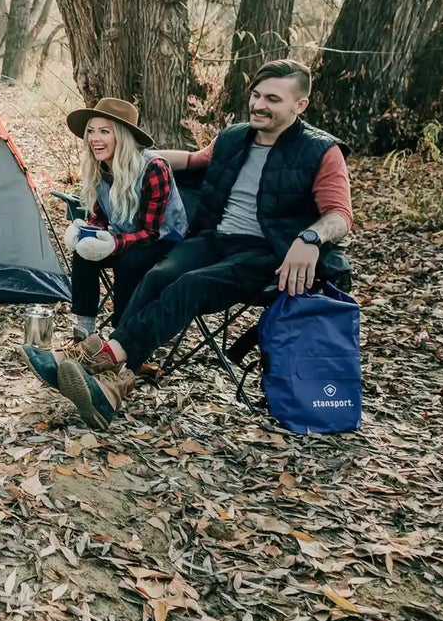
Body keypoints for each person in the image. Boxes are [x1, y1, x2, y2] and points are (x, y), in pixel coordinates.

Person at [26, 59, 353, 430]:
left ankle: (106, 363)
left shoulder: (321, 150)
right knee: (159, 274)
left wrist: (310, 238)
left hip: (270, 252)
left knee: (190, 285)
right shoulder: (233, 136)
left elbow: (339, 214)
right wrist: (130, 157)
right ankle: (108, 379)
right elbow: (195, 160)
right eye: (256, 95)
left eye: (273, 99)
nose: (259, 105)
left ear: (300, 105)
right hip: (214, 238)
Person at [62, 97, 188, 340]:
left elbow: (151, 232)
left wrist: (113, 243)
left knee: (128, 261)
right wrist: (87, 231)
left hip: (164, 240)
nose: (94, 139)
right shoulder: (98, 166)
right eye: (91, 131)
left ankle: (121, 333)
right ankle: (84, 328)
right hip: (124, 235)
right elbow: (100, 217)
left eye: (104, 132)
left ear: (121, 136)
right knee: (83, 251)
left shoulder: (153, 168)